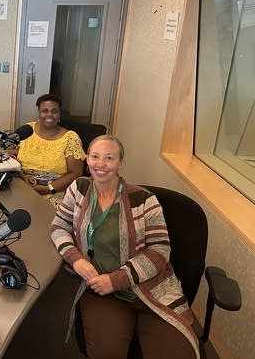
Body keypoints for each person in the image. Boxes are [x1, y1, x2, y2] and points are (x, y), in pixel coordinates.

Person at [50, 135, 198, 358]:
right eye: (95, 156)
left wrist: (117, 279)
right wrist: (76, 258)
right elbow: (59, 226)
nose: (100, 164)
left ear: (121, 163)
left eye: (109, 158)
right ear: (87, 159)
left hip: (152, 290)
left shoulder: (143, 199)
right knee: (107, 353)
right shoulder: (78, 188)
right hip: (103, 293)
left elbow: (160, 249)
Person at [11, 94, 85, 208]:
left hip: (54, 192)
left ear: (60, 114)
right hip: (23, 185)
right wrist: (22, 175)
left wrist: (48, 189)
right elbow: (13, 157)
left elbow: (76, 173)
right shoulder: (28, 130)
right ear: (39, 113)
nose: (49, 114)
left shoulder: (70, 138)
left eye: (54, 111)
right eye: (44, 111)